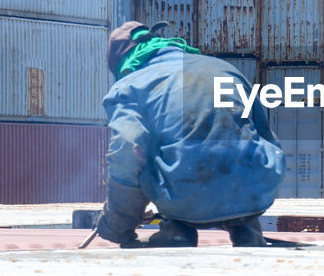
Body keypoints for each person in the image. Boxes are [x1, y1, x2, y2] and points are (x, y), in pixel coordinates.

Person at [91, 21, 285, 248]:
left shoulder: (129, 86)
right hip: (257, 192)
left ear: (124, 63)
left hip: (185, 200)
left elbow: (126, 151)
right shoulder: (222, 68)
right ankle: (246, 228)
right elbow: (266, 135)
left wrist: (117, 225)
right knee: (236, 146)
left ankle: (177, 229)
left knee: (149, 151)